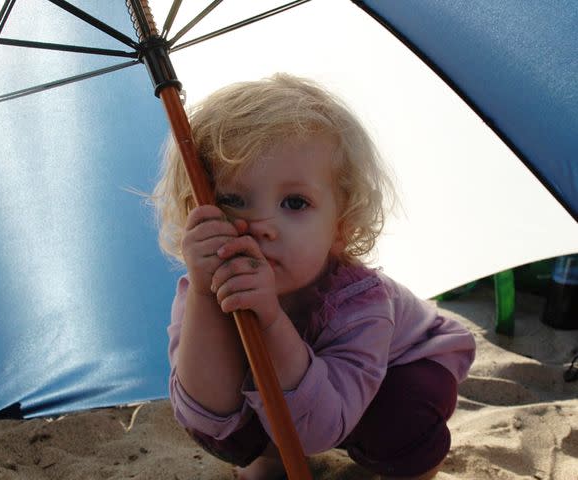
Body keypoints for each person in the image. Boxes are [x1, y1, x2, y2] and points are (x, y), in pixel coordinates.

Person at [152, 74, 476, 480]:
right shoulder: (205, 287)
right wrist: (203, 297)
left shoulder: (360, 303)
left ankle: (418, 468)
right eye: (232, 200)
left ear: (340, 227)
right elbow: (205, 415)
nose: (261, 225)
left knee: (398, 419)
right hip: (305, 396)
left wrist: (270, 321)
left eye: (294, 202)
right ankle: (269, 457)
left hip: (404, 365)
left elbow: (321, 430)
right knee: (233, 434)